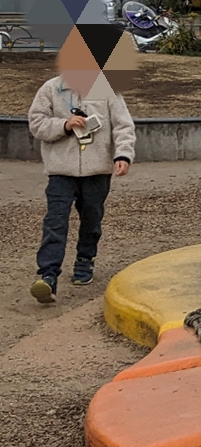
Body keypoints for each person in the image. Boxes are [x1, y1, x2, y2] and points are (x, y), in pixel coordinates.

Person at [27, 66, 135, 304]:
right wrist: (64, 125)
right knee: (55, 220)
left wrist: (123, 155)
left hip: (97, 171)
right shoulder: (50, 89)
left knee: (92, 218)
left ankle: (85, 260)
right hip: (60, 171)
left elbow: (123, 125)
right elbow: (36, 123)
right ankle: (48, 275)